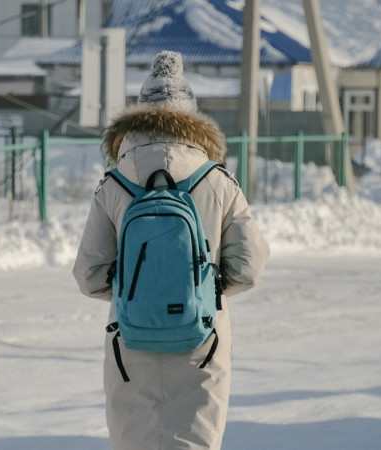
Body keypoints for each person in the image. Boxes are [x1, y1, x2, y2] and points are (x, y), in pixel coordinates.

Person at [73, 50, 270, 450]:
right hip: (203, 338)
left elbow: (90, 277)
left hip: (131, 337)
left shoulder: (114, 183)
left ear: (138, 119)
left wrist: (140, 288)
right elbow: (249, 267)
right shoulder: (218, 181)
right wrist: (199, 288)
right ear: (193, 120)